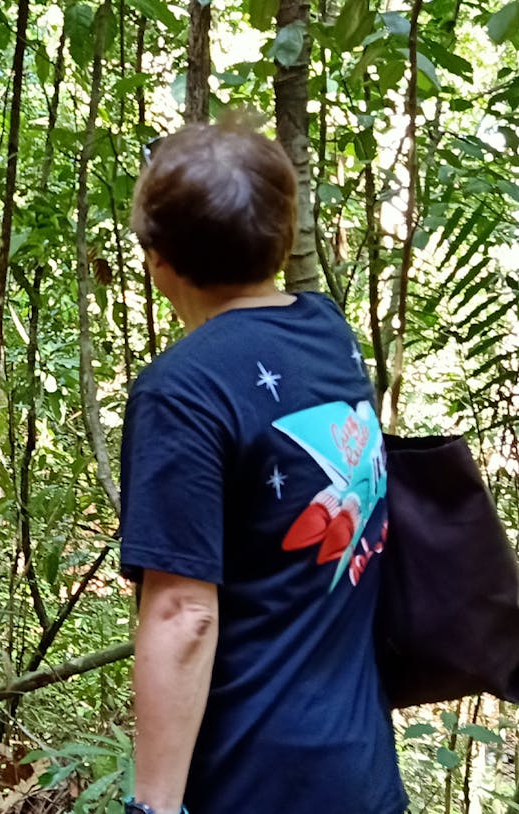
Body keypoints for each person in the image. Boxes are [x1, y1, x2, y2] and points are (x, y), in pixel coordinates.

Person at [118, 118, 406, 814]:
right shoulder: (327, 331)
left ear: (157, 259)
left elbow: (183, 612)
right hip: (362, 774)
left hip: (254, 784)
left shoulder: (182, 391)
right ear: (281, 237)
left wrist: (152, 808)